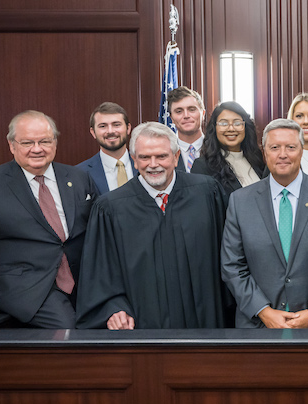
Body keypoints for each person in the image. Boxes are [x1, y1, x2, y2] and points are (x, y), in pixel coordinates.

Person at [0, 110, 97, 328]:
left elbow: (99, 230)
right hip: (25, 289)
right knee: (70, 333)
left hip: (83, 284)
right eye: (27, 142)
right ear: (12, 145)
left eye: (44, 141)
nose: (37, 149)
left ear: (55, 143)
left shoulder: (78, 178)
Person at [76, 122, 230, 329]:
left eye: (161, 156)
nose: (153, 164)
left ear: (176, 158)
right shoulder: (110, 208)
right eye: (145, 157)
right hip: (144, 321)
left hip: (206, 319)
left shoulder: (207, 193)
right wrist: (114, 308)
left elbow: (231, 254)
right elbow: (101, 271)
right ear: (134, 160)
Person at [221, 119, 308, 329]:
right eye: (274, 147)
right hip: (259, 325)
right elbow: (232, 266)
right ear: (264, 152)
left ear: (302, 150)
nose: (282, 154)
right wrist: (264, 312)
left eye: (291, 147)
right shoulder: (240, 201)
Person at [191, 102, 267, 192]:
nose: (231, 129)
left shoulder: (258, 160)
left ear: (246, 127)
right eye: (223, 124)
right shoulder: (202, 166)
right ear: (214, 128)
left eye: (237, 123)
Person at [77, 101, 136, 195]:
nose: (110, 131)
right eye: (103, 126)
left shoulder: (145, 165)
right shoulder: (80, 174)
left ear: (128, 128)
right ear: (93, 132)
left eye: (116, 125)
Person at [166, 86, 205, 172]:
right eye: (179, 111)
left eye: (192, 109)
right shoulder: (165, 151)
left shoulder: (218, 148)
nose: (186, 116)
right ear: (171, 118)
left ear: (203, 113)